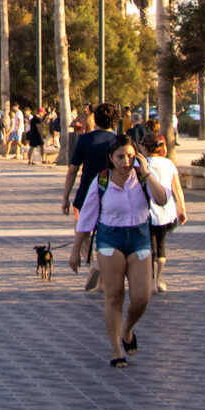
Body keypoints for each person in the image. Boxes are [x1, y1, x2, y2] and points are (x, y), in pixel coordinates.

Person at [73, 135, 173, 368]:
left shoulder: (142, 177)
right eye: (120, 157)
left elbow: (162, 199)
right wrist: (76, 249)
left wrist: (146, 172)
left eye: (130, 156)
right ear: (111, 158)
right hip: (110, 238)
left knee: (142, 297)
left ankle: (127, 329)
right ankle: (116, 349)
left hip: (139, 237)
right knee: (114, 295)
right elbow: (86, 217)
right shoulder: (102, 181)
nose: (125, 161)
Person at [61, 103, 122, 290]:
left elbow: (72, 170)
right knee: (105, 235)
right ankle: (103, 279)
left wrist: (65, 197)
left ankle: (93, 265)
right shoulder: (119, 141)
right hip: (111, 194)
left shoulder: (85, 139)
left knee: (81, 230)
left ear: (94, 118)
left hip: (86, 193)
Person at [145, 131, 186, 291]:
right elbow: (178, 189)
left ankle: (149, 280)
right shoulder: (169, 164)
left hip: (146, 211)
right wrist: (182, 209)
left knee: (147, 246)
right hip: (166, 212)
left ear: (145, 148)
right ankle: (158, 280)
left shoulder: (142, 164)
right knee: (160, 245)